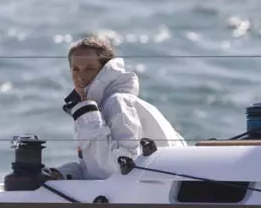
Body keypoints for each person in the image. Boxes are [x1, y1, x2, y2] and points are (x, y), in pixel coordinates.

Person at [51, 36, 185, 180]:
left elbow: (124, 168)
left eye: (90, 68)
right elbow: (94, 169)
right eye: (75, 69)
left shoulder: (118, 103)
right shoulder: (97, 107)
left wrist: (87, 114)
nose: (80, 76)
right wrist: (61, 174)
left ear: (105, 70)